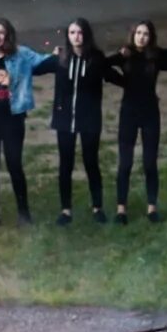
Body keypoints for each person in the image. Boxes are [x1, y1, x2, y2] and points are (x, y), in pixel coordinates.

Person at [0, 19, 50, 229]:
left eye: (1, 32)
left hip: (12, 119)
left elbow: (43, 61)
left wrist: (61, 56)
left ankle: (24, 214)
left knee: (14, 164)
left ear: (7, 35)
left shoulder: (21, 55)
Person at [102, 22, 167, 225]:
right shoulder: (125, 55)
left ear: (151, 37)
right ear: (133, 35)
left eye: (146, 34)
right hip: (129, 112)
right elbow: (102, 65)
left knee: (150, 163)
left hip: (150, 113)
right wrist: (122, 81)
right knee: (125, 163)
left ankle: (152, 208)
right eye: (138, 33)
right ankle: (121, 209)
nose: (141, 37)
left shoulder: (156, 56)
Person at [46, 19, 108, 225]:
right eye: (72, 32)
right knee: (66, 164)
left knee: (91, 162)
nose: (76, 36)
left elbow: (113, 73)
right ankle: (66, 210)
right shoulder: (61, 58)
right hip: (65, 120)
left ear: (86, 35)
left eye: (80, 32)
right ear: (68, 35)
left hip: (89, 119)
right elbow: (36, 66)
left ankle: (98, 207)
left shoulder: (96, 59)